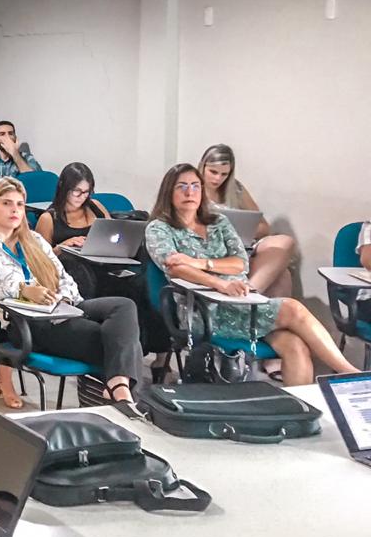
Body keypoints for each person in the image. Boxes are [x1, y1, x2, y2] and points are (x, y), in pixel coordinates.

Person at [145, 164, 359, 386]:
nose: (190, 193)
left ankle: (300, 412)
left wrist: (198, 262)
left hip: (239, 304)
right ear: (169, 192)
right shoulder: (159, 228)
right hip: (200, 310)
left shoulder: (218, 222)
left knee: (295, 346)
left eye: (195, 186)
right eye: (182, 187)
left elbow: (240, 263)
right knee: (292, 309)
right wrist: (219, 283)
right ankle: (349, 374)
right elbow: (176, 268)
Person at [0, 177, 144, 414]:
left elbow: (63, 278)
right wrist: (22, 289)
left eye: (20, 204)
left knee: (124, 306)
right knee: (120, 341)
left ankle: (116, 389)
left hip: (64, 309)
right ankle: (120, 391)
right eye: (7, 203)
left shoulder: (35, 241)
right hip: (28, 323)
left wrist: (65, 300)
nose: (15, 210)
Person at [198, 144, 296, 298]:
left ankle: (248, 293)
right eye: (213, 172)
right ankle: (248, 298)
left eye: (224, 174)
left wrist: (243, 229)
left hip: (244, 244)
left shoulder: (235, 189)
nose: (218, 178)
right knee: (283, 276)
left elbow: (264, 227)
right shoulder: (193, 190)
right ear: (202, 167)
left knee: (286, 241)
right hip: (216, 247)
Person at [34, 163, 111, 252]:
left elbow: (113, 234)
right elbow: (40, 260)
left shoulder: (96, 206)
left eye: (86, 191)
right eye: (77, 191)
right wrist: (62, 247)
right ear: (64, 187)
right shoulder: (48, 219)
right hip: (68, 263)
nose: (82, 197)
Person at [0, 120, 42, 184]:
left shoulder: (27, 157)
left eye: (11, 133)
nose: (7, 137)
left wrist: (15, 153)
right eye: (2, 134)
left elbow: (35, 181)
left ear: (15, 138)